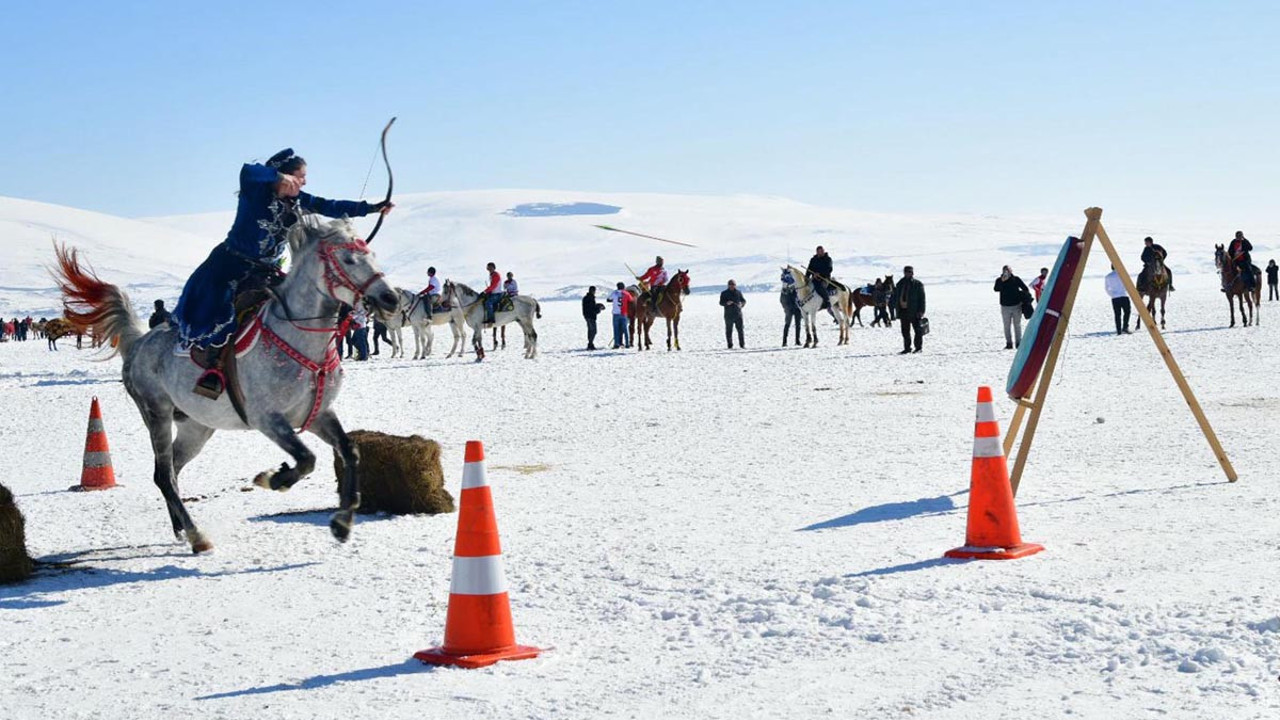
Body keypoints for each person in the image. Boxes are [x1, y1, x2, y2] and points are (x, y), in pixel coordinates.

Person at [171, 148, 393, 399]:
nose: (305, 181)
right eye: (301, 176)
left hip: (266, 270)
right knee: (223, 314)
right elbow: (248, 171)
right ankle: (215, 368)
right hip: (231, 266)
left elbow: (329, 205)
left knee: (294, 307)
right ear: (285, 176)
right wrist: (277, 176)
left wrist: (372, 208)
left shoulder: (297, 200)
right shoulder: (256, 191)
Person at [993, 265, 1030, 349]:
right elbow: (996, 289)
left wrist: (1021, 297)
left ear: (1011, 271)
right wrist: (1002, 281)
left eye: (1008, 270)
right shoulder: (999, 280)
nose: (1006, 272)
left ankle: (1018, 343)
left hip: (1016, 305)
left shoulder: (1016, 279)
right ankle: (1009, 343)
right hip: (1005, 306)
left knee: (1017, 325)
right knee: (1007, 325)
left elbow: (1025, 288)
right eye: (1004, 270)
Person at [892, 265, 926, 354]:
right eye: (906, 272)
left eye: (910, 272)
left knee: (917, 330)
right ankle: (907, 348)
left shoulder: (917, 284)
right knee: (905, 331)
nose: (908, 273)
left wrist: (921, 311)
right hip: (903, 310)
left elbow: (922, 299)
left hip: (914, 311)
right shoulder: (900, 283)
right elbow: (896, 296)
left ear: (912, 273)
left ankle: (918, 348)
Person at [805, 245, 836, 319]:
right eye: (819, 251)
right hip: (815, 278)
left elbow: (829, 269)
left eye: (822, 251)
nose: (821, 252)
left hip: (825, 278)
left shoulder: (828, 259)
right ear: (817, 252)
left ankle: (827, 302)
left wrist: (819, 274)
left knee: (819, 287)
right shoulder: (813, 259)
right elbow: (809, 269)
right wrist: (806, 277)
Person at [1105, 265, 1132, 335]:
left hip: (1115, 298)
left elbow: (1106, 288)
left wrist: (1112, 294)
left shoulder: (1108, 276)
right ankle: (1125, 327)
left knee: (1117, 314)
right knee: (1127, 312)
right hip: (1124, 295)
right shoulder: (1123, 275)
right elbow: (1129, 285)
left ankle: (1118, 330)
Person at [720, 279, 746, 349]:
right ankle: (730, 345)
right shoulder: (724, 293)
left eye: (733, 285)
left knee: (740, 330)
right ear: (728, 285)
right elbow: (721, 302)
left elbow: (743, 300)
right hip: (728, 315)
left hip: (738, 314)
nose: (732, 286)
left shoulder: (738, 292)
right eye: (730, 285)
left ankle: (742, 345)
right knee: (729, 331)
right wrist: (727, 303)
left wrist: (742, 304)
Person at [780, 269, 802, 346]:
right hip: (789, 309)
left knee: (798, 325)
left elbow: (800, 298)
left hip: (797, 308)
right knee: (787, 324)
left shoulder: (797, 289)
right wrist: (785, 308)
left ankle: (797, 340)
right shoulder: (784, 290)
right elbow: (782, 300)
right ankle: (784, 341)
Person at [606, 282, 629, 349]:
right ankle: (627, 343)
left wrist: (614, 300)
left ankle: (616, 344)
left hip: (616, 314)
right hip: (624, 313)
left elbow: (608, 299)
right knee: (625, 329)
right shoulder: (626, 293)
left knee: (616, 329)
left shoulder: (614, 293)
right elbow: (631, 300)